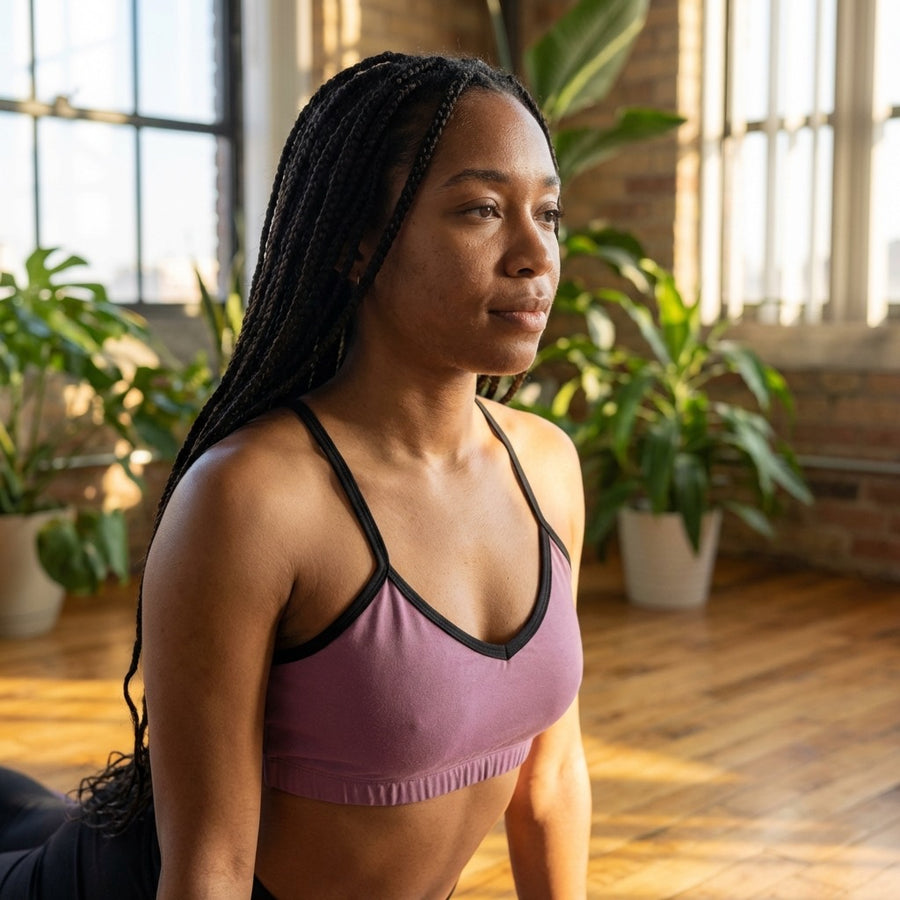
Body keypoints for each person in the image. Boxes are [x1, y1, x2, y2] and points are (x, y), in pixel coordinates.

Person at [0, 51, 590, 899]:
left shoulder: (547, 469)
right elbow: (208, 869)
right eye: (481, 209)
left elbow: (551, 782)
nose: (535, 253)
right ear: (356, 246)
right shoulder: (254, 499)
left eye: (549, 211)